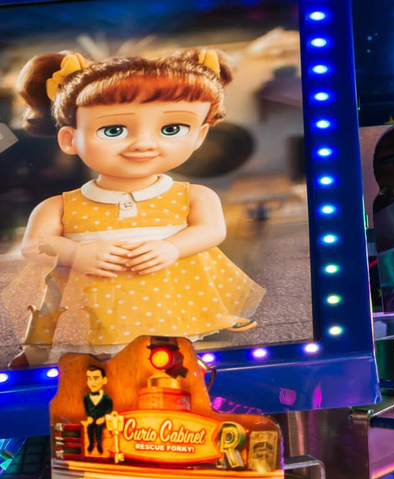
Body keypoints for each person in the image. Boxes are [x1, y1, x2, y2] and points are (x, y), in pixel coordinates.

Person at [6, 48, 263, 366]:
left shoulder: (194, 196)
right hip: (87, 303)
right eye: (113, 130)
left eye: (172, 129)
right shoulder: (60, 206)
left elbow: (211, 231)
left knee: (166, 350)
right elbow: (35, 245)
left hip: (165, 297)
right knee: (88, 355)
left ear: (199, 136)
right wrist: (76, 253)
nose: (143, 144)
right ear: (70, 140)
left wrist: (172, 247)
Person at [82, 364, 113, 455]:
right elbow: (86, 409)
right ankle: (91, 443)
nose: (92, 382)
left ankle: (99, 444)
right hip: (92, 418)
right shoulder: (86, 397)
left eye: (96, 378)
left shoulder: (107, 398)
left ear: (104, 380)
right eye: (89, 378)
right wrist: (88, 416)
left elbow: (109, 410)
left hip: (101, 419)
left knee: (99, 428)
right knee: (89, 427)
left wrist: (103, 418)